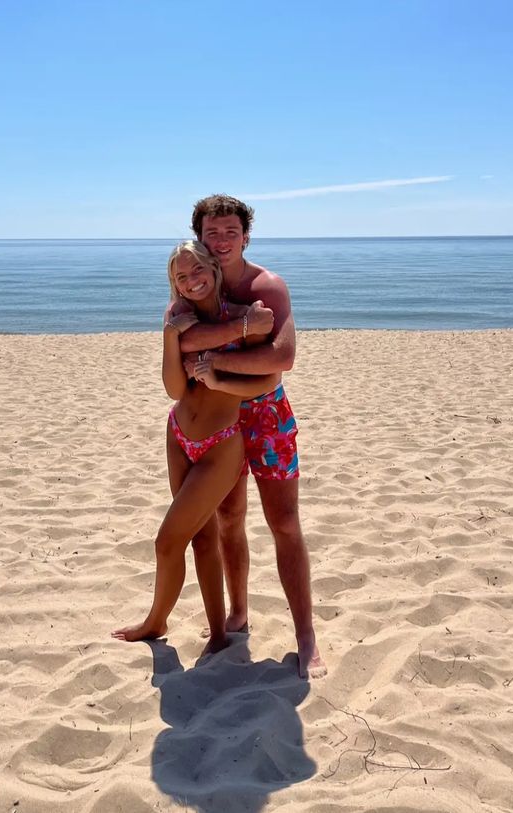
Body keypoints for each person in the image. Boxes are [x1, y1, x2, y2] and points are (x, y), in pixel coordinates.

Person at [177, 194, 325, 678]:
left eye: (230, 232)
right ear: (200, 236)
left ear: (246, 236)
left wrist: (216, 362)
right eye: (211, 233)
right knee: (228, 520)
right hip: (218, 421)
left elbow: (281, 359)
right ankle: (239, 614)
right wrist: (240, 329)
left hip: (266, 418)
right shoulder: (194, 286)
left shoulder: (268, 285)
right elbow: (180, 341)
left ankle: (306, 636)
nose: (220, 241)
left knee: (284, 522)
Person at [111, 240, 276, 654]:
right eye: (181, 277)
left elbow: (268, 380)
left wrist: (219, 379)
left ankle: (156, 621)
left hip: (222, 444)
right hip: (178, 435)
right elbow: (173, 389)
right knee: (201, 538)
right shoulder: (176, 318)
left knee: (167, 540)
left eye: (197, 271)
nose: (191, 282)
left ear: (214, 269)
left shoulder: (244, 316)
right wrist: (170, 336)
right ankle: (216, 633)